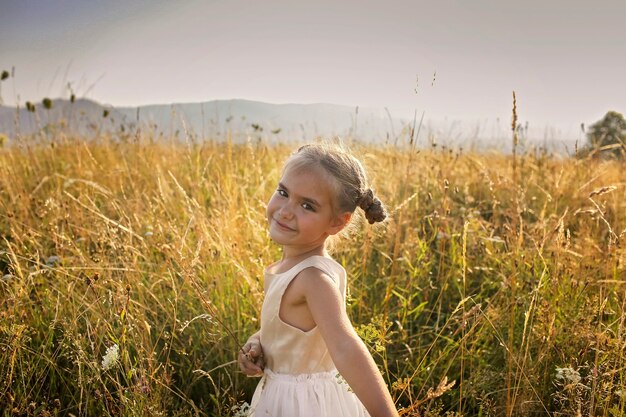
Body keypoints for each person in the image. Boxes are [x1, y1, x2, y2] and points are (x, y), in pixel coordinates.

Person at [238, 143, 399, 417]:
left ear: (337, 223)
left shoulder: (314, 278)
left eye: (307, 205)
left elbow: (346, 348)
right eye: (283, 192)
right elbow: (289, 333)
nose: (286, 210)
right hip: (279, 394)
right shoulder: (289, 267)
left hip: (304, 405)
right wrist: (258, 342)